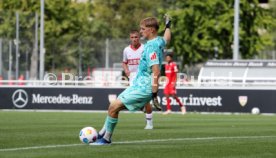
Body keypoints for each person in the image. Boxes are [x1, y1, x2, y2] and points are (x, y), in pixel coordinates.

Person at [90, 16, 171, 145]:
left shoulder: (151, 47)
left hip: (144, 87)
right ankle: (101, 134)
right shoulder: (159, 41)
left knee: (114, 107)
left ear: (151, 30)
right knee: (113, 106)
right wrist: (168, 26)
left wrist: (154, 94)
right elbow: (167, 38)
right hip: (137, 85)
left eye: (143, 29)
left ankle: (106, 139)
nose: (140, 31)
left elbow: (156, 71)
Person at [122, 30, 154, 130]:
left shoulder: (145, 48)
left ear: (139, 37)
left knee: (146, 100)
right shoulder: (126, 50)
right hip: (132, 77)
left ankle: (149, 123)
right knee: (131, 99)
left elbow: (151, 61)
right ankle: (142, 107)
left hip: (144, 76)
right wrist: (126, 70)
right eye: (132, 37)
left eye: (136, 37)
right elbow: (124, 62)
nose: (134, 39)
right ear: (130, 38)